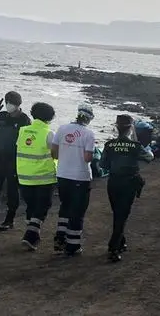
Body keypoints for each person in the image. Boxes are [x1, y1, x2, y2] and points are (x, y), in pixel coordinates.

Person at [100, 114, 153, 262]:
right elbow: (149, 157)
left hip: (113, 182)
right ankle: (113, 247)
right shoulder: (135, 146)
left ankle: (120, 242)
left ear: (116, 127)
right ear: (131, 129)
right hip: (129, 182)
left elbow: (102, 165)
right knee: (122, 215)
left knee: (118, 213)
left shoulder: (109, 145)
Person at [0, 91, 30, 232]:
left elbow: (28, 141)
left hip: (14, 159)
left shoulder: (24, 120)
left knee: (12, 190)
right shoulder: (1, 117)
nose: (9, 105)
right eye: (7, 102)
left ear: (18, 104)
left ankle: (9, 220)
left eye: (12, 103)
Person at [52, 104, 95, 256]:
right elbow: (87, 158)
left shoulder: (62, 128)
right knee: (78, 211)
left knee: (65, 206)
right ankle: (73, 244)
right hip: (80, 177)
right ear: (89, 118)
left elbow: (54, 154)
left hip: (62, 174)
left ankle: (59, 238)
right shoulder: (88, 134)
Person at [15, 102, 58, 251]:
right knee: (43, 205)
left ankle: (34, 234)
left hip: (24, 176)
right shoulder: (49, 134)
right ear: (50, 118)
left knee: (31, 206)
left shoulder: (22, 131)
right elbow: (56, 154)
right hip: (44, 176)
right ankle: (29, 235)